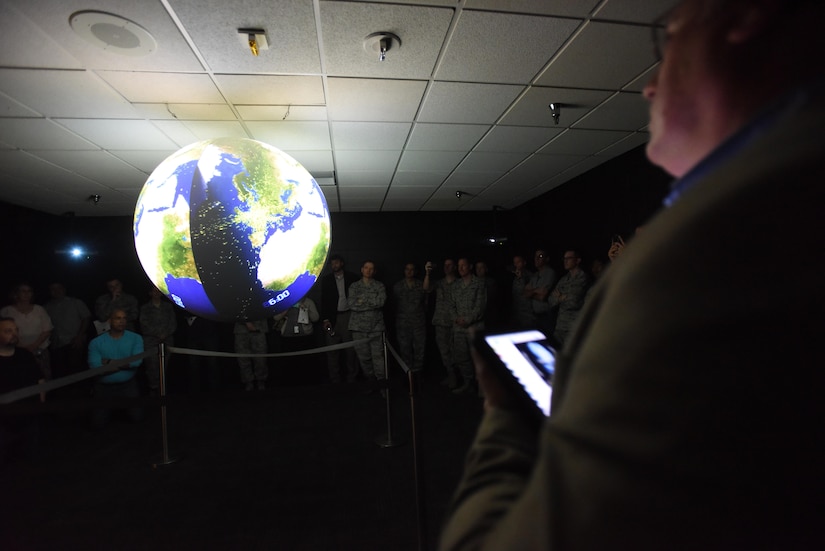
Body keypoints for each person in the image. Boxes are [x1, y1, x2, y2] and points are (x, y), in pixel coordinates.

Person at [440, 1, 825, 548]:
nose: (648, 86)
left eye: (665, 41)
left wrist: (505, 416)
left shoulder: (718, 246)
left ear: (745, 17)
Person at [87, 309, 144, 428]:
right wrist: (125, 364)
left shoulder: (136, 338)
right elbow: (96, 368)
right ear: (110, 321)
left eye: (124, 318)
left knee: (137, 419)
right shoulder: (96, 342)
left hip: (128, 385)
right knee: (97, 424)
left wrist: (108, 361)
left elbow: (136, 362)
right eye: (118, 318)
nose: (122, 321)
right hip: (103, 387)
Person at [0, 317, 45, 464]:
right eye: (8, 331)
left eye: (16, 330)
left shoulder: (24, 355)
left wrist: (40, 404)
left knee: (32, 457)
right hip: (3, 417)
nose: (14, 334)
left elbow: (40, 380)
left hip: (28, 413)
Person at [320, 254, 360, 384]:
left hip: (348, 316)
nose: (334, 266)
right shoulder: (326, 280)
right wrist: (325, 319)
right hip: (333, 317)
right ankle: (335, 380)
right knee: (332, 351)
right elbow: (324, 301)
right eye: (332, 263)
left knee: (351, 351)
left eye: (336, 263)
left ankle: (352, 378)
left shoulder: (352, 278)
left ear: (341, 263)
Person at [449, 258, 486, 395]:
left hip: (474, 328)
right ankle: (468, 383)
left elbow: (480, 307)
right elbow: (451, 306)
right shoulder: (455, 285)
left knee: (478, 358)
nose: (461, 268)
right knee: (462, 358)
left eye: (463, 265)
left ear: (470, 266)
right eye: (458, 266)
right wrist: (456, 319)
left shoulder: (479, 284)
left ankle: (482, 388)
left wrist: (468, 320)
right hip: (459, 329)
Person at [1, 283, 53, 381]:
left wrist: (33, 346)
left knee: (44, 376)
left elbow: (47, 329)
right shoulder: (6, 311)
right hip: (16, 351)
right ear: (16, 294)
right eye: (23, 291)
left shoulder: (39, 309)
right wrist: (23, 347)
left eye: (29, 291)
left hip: (39, 350)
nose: (26, 293)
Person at [44, 282, 91, 387]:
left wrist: (79, 336)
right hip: (56, 344)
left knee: (76, 371)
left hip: (74, 342)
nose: (56, 291)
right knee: (60, 373)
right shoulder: (47, 307)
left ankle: (80, 395)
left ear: (64, 289)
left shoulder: (75, 302)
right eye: (53, 289)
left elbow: (86, 318)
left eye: (59, 288)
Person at [348, 260, 387, 383]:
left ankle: (382, 385)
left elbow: (380, 302)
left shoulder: (379, 286)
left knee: (378, 358)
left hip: (376, 327)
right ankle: (371, 382)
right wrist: (371, 301)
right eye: (366, 267)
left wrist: (362, 301)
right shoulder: (354, 286)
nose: (368, 270)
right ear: (362, 269)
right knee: (364, 359)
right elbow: (352, 304)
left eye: (371, 268)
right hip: (358, 329)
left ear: (374, 271)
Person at [424, 258, 457, 388]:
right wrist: (427, 273)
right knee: (444, 352)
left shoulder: (460, 283)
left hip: (456, 323)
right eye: (445, 265)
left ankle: (463, 378)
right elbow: (426, 288)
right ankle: (451, 376)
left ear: (455, 267)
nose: (446, 267)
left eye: (449, 265)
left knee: (457, 352)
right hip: (441, 322)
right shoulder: (440, 283)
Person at [139, 286, 178, 394]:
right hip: (151, 342)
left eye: (158, 291)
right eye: (154, 291)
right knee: (152, 367)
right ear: (150, 293)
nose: (156, 293)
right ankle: (153, 389)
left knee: (164, 367)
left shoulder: (168, 307)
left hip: (167, 341)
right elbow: (143, 324)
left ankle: (163, 390)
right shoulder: (145, 308)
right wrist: (157, 334)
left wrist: (166, 333)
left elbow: (173, 323)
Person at [272, 296, 320, 385]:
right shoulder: (284, 301)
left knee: (305, 364)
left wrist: (305, 309)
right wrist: (287, 308)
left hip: (305, 337)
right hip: (287, 338)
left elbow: (315, 318)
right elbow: (276, 317)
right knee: (289, 365)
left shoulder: (308, 301)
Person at [546, 250, 588, 347]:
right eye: (564, 259)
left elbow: (574, 302)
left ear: (577, 260)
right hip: (560, 327)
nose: (565, 261)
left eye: (569, 258)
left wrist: (560, 297)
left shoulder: (582, 277)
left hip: (573, 328)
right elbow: (551, 300)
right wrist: (563, 297)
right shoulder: (564, 279)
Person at [392, 262, 427, 373]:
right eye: (407, 269)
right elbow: (394, 305)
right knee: (404, 351)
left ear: (415, 271)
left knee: (419, 351)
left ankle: (418, 376)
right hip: (403, 325)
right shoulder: (397, 286)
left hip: (418, 324)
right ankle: (408, 376)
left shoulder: (421, 285)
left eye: (412, 269)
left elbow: (426, 303)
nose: (409, 271)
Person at [522, 249, 556, 336]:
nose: (536, 259)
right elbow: (525, 293)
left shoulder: (550, 273)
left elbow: (542, 296)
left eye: (540, 256)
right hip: (535, 315)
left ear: (547, 259)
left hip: (546, 316)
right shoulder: (535, 275)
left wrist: (531, 292)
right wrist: (536, 291)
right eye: (535, 256)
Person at [234, 319, 269, 391]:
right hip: (241, 329)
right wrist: (247, 323)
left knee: (261, 359)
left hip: (259, 328)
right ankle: (248, 382)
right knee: (243, 359)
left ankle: (261, 380)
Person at [509, 254, 534, 329]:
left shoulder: (530, 276)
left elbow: (529, 290)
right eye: (515, 262)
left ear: (524, 263)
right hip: (517, 311)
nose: (516, 264)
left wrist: (521, 277)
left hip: (527, 313)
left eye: (518, 262)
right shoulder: (515, 277)